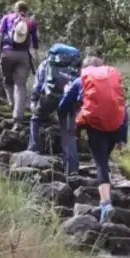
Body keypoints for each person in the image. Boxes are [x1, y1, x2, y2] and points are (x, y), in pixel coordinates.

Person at [60, 56, 128, 222]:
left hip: (95, 127)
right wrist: (122, 137)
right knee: (104, 160)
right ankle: (107, 190)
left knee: (101, 163)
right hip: (115, 126)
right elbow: (123, 108)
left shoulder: (80, 81)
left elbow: (63, 106)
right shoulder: (111, 81)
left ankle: (106, 204)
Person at [30, 43, 82, 177]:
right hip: (69, 99)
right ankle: (73, 168)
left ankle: (34, 148)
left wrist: (34, 99)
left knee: (35, 119)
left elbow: (38, 83)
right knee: (69, 132)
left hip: (50, 97)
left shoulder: (47, 63)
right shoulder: (75, 65)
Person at [0, 1, 39, 131]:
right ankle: (17, 118)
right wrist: (36, 58)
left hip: (7, 53)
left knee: (7, 80)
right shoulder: (31, 22)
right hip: (23, 55)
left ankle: (12, 103)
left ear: (15, 9)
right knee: (20, 85)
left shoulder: (7, 18)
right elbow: (36, 42)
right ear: (26, 10)